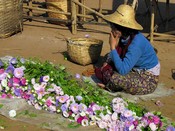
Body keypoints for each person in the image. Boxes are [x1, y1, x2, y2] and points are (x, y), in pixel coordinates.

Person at [95, 4, 160, 95]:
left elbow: (123, 70)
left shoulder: (136, 43)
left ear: (121, 29)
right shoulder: (124, 37)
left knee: (115, 78)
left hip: (147, 78)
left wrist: (112, 46)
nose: (111, 29)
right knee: (107, 59)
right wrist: (109, 61)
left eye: (113, 27)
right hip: (134, 69)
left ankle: (110, 86)